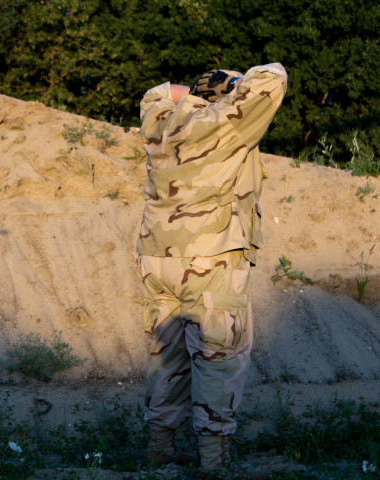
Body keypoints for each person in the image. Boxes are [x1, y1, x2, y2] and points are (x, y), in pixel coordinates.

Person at [137, 64, 287, 476]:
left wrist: (209, 84)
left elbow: (157, 91)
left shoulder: (158, 119)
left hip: (156, 258)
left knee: (166, 356)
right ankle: (214, 463)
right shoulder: (226, 123)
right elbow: (273, 77)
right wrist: (234, 84)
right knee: (219, 358)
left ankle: (160, 449)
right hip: (211, 259)